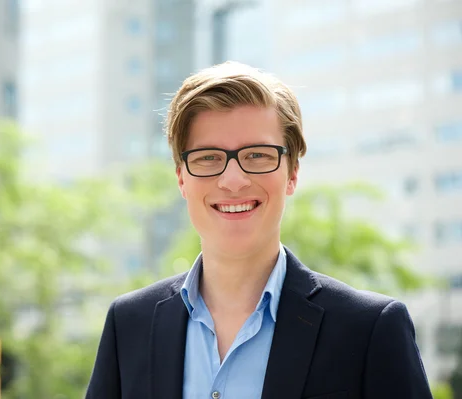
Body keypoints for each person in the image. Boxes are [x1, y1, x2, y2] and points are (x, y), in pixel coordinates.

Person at [86, 61, 432, 399]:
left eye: (257, 155)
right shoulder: (129, 324)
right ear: (181, 177)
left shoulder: (368, 329)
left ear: (292, 172)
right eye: (208, 157)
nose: (233, 180)